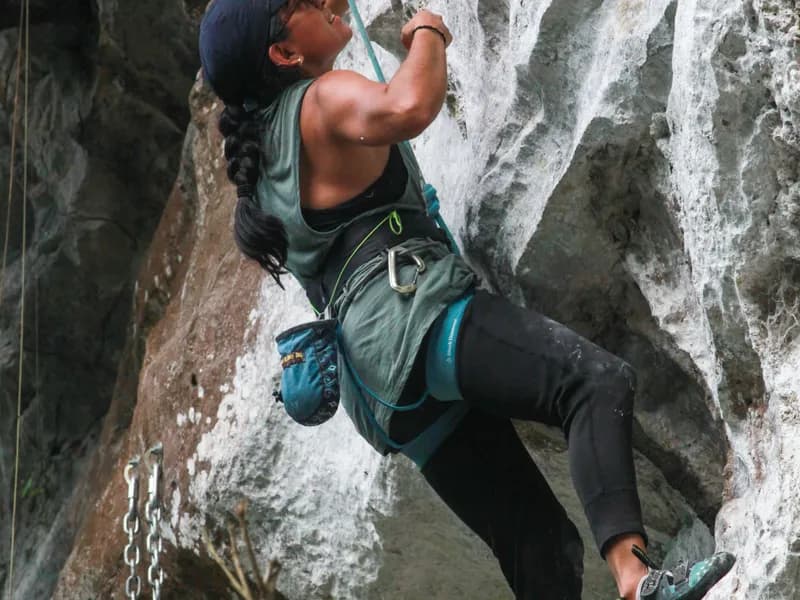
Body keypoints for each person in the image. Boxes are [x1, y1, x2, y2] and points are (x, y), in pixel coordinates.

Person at [198, 1, 735, 598]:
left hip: (384, 392)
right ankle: (637, 582)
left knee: (539, 541)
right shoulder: (320, 101)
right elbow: (410, 106)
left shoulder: (266, 163)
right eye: (301, 4)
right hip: (416, 319)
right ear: (284, 54)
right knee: (592, 382)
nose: (327, 1)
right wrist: (428, 27)